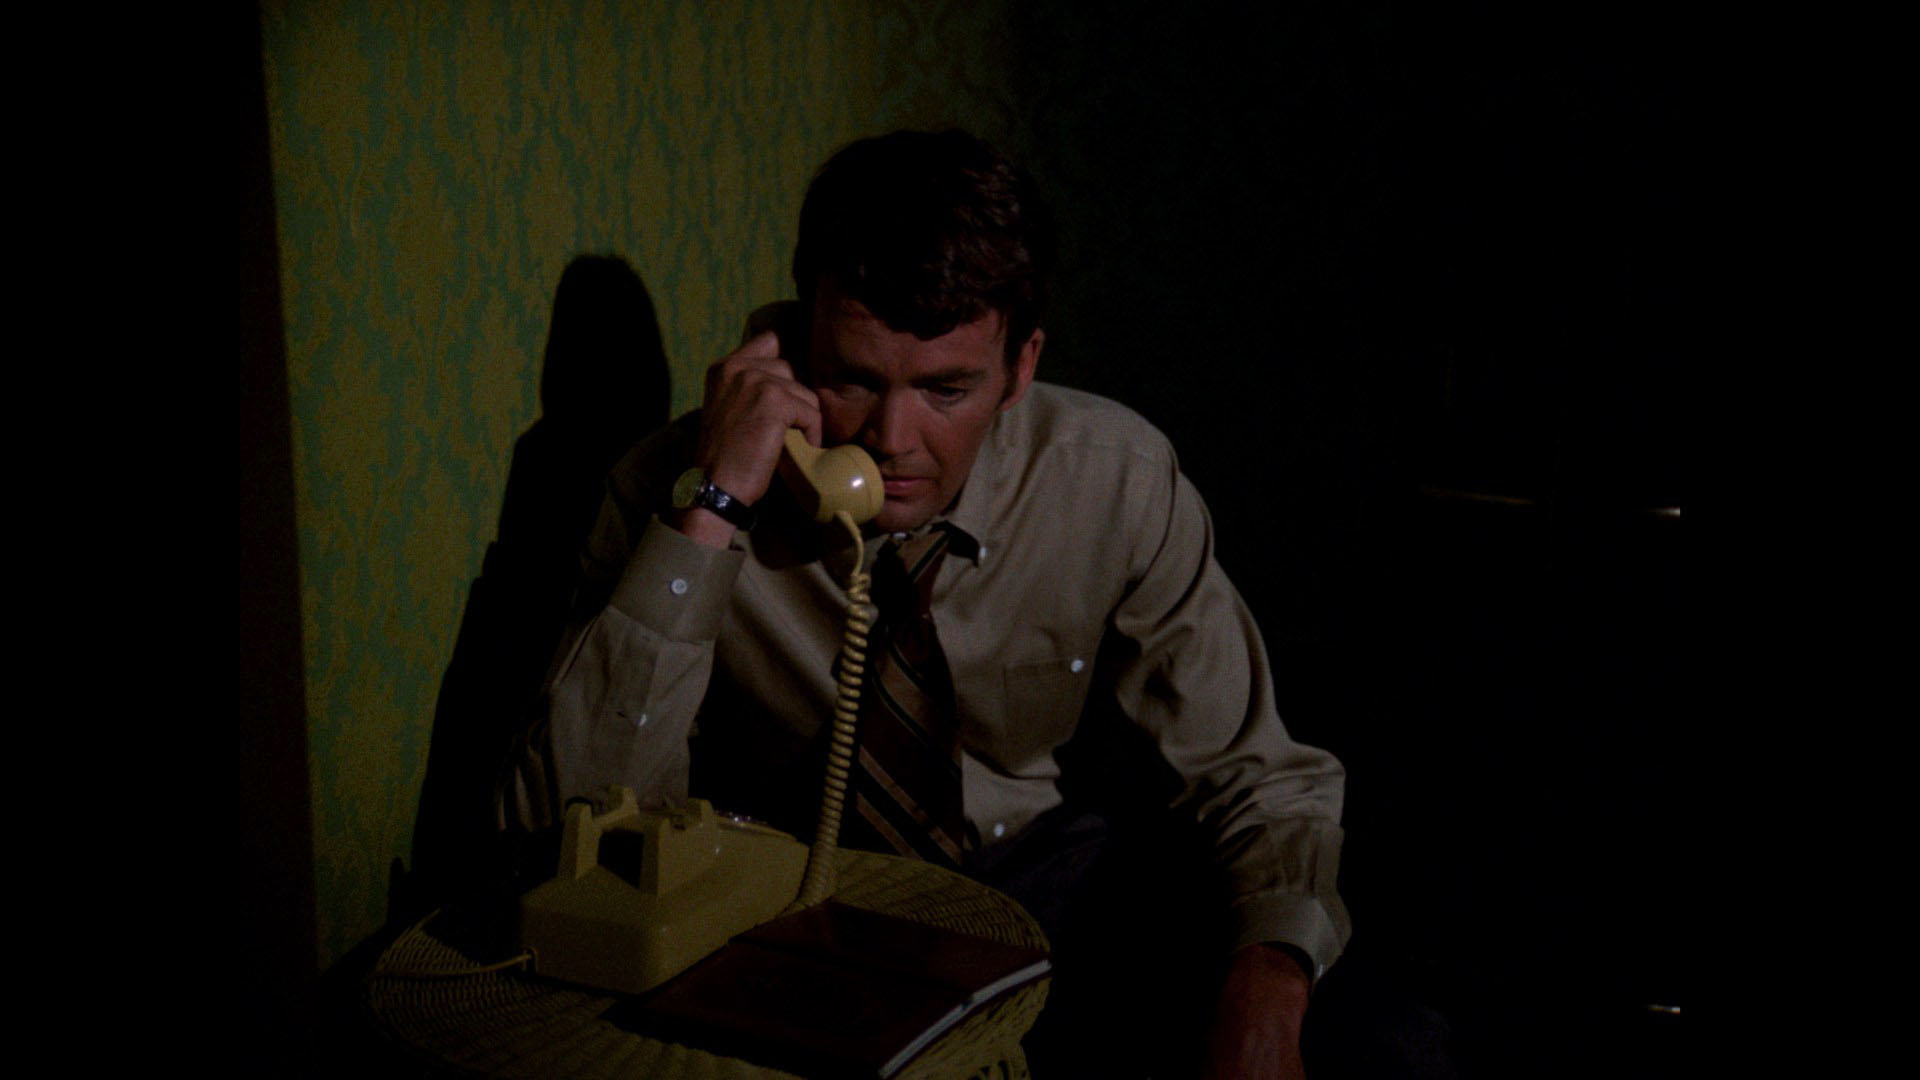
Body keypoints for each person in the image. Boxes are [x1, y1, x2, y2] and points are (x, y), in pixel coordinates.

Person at [507, 129, 1349, 1078]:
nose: (893, 438)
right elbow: (564, 822)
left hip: (1039, 873)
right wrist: (716, 509)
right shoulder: (668, 487)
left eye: (947, 389)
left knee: (1382, 1039)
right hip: (795, 884)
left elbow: (1258, 777)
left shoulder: (1116, 481)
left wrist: (1268, 983)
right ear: (790, 344)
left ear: (1021, 367)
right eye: (852, 378)